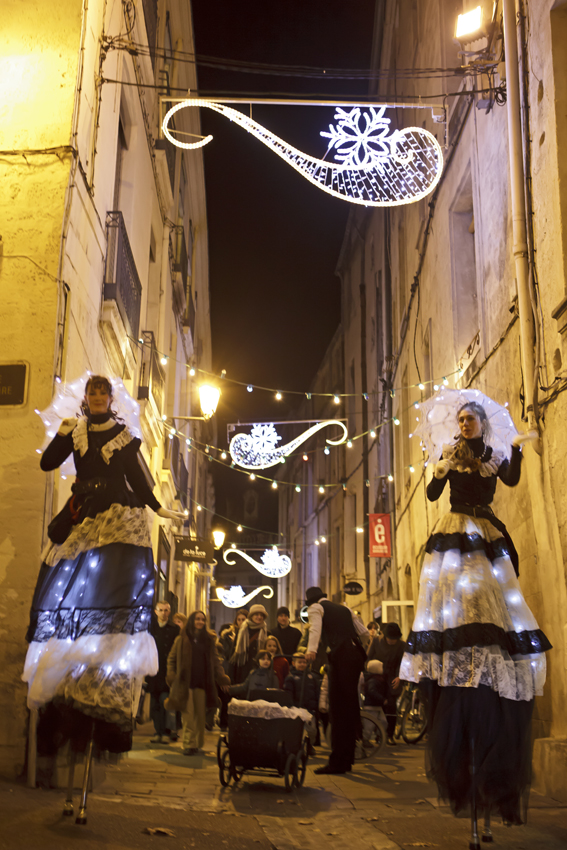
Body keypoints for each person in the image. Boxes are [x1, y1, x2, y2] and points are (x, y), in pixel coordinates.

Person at [400, 401, 552, 823]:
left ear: (482, 424)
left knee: (491, 593)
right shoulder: (450, 454)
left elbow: (512, 478)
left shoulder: (491, 456)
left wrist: (517, 449)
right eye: (461, 419)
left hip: (485, 528)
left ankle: (493, 641)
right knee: (455, 589)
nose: (465, 424)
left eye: (471, 419)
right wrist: (439, 471)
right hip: (455, 528)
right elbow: (433, 495)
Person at [23, 375, 185, 756]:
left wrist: (160, 508)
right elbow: (48, 463)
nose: (96, 397)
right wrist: (62, 434)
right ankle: (69, 665)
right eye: (91, 392)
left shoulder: (124, 436)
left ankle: (106, 674)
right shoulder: (76, 430)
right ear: (87, 397)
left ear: (111, 398)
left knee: (111, 588)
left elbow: (140, 479)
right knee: (66, 585)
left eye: (102, 392)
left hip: (116, 516)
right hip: (84, 514)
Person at [304, 588, 368, 774]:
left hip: (340, 657)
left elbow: (315, 629)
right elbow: (363, 632)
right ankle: (347, 758)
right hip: (355, 655)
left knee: (338, 709)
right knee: (349, 706)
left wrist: (311, 650)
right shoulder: (345, 609)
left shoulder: (316, 608)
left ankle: (338, 761)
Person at [165, 610, 230, 756]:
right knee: (188, 715)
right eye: (197, 619)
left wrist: (221, 676)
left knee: (200, 716)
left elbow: (215, 661)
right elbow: (171, 659)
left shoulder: (208, 641)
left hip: (202, 683)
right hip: (185, 683)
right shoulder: (181, 639)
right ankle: (189, 744)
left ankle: (197, 743)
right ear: (192, 621)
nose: (200, 622)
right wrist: (172, 675)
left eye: (202, 619)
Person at [146, 601, 180, 744]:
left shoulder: (174, 629)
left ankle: (165, 732)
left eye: (166, 610)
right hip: (154, 671)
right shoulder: (150, 629)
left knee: (165, 701)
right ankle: (157, 731)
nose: (164, 613)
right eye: (161, 610)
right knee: (155, 704)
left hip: (167, 672)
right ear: (156, 611)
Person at [367, 622, 407, 744]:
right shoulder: (376, 642)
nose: (391, 641)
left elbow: (404, 663)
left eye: (394, 639)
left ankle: (389, 735)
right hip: (377, 678)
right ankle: (379, 734)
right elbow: (368, 659)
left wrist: (400, 677)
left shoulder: (402, 646)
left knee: (391, 706)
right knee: (377, 706)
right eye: (390, 638)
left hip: (393, 679)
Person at [230, 604, 269, 684]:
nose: (259, 617)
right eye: (256, 614)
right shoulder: (242, 631)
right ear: (251, 616)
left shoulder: (266, 632)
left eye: (261, 615)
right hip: (242, 670)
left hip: (259, 672)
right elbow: (234, 654)